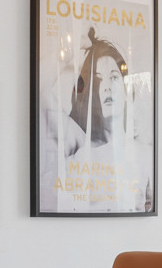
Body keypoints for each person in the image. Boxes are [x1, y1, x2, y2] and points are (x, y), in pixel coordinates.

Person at [41, 28, 151, 212]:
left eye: (114, 77)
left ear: (126, 91)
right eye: (98, 80)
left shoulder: (145, 154)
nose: (106, 86)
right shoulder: (80, 140)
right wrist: (71, 47)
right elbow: (40, 88)